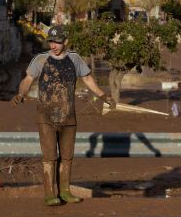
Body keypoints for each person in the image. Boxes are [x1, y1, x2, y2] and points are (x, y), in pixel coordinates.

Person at [12, 25, 116, 206]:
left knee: (67, 157)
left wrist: (103, 95)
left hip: (69, 117)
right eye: (51, 42)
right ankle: (50, 194)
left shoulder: (75, 59)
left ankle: (65, 192)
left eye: (58, 42)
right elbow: (28, 79)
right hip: (45, 117)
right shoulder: (40, 59)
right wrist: (21, 94)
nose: (54, 45)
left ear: (65, 42)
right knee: (49, 157)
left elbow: (88, 79)